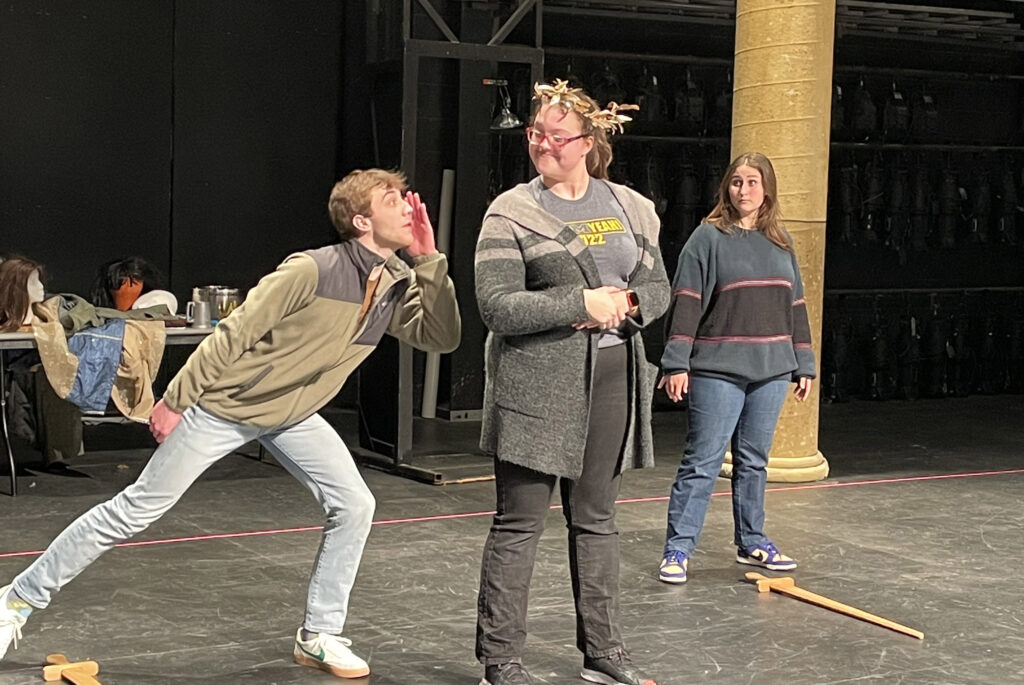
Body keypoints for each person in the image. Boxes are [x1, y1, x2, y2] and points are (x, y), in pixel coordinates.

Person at [0, 168, 462, 679]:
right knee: (134, 510)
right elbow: (233, 332)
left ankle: (320, 635)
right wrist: (177, 400)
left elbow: (440, 337)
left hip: (292, 414)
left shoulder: (397, 280)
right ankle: (15, 601)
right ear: (361, 220)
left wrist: (428, 261)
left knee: (355, 504)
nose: (407, 205)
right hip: (227, 407)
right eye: (391, 198)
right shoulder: (311, 269)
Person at [474, 79, 669, 685]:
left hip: (611, 373)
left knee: (597, 518)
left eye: (557, 137)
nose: (542, 146)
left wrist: (629, 302)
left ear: (588, 142)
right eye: (536, 135)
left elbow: (659, 290)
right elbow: (497, 306)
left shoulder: (632, 208)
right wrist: (579, 302)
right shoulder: (511, 211)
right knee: (520, 521)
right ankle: (500, 660)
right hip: (537, 380)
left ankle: (603, 652)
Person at [656, 152, 815, 585]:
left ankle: (753, 540)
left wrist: (804, 362)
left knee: (754, 461)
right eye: (736, 182)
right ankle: (678, 548)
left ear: (767, 190)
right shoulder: (708, 238)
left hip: (772, 368)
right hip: (717, 368)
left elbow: (795, 307)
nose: (743, 190)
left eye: (752, 182)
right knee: (703, 460)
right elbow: (686, 301)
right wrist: (676, 362)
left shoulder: (782, 241)